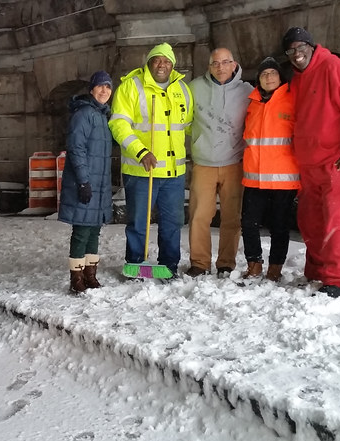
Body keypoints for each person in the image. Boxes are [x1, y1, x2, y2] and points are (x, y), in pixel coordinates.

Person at [283, 27, 340, 298]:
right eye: (291, 50)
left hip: (337, 164)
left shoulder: (337, 68)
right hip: (310, 165)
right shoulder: (298, 79)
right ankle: (317, 271)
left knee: (336, 222)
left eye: (301, 48)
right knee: (311, 221)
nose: (297, 54)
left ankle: (336, 280)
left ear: (312, 47)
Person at [109, 43, 194, 277]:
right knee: (138, 223)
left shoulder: (183, 90)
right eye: (157, 59)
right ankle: (136, 264)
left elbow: (187, 127)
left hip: (173, 175)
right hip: (141, 171)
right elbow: (119, 124)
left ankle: (169, 266)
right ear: (149, 62)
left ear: (173, 65)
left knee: (172, 223)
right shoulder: (131, 87)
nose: (162, 64)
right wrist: (141, 151)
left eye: (167, 61)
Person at [186, 47, 251, 278]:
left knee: (232, 217)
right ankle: (200, 263)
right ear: (209, 66)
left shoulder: (247, 92)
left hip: (234, 163)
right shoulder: (193, 88)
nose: (220, 67)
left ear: (234, 65)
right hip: (204, 162)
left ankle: (226, 263)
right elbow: (182, 120)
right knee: (199, 216)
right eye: (215, 63)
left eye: (225, 62)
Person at [240, 57, 300, 282]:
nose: (268, 77)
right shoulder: (253, 103)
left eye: (272, 73)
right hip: (254, 178)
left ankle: (275, 267)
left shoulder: (292, 99)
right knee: (248, 223)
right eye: (264, 74)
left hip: (283, 179)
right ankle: (253, 264)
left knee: (279, 225)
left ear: (280, 77)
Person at [58, 70, 114, 293]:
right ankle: (77, 278)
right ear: (91, 89)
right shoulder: (84, 114)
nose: (104, 90)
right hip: (86, 182)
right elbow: (76, 148)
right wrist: (83, 181)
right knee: (82, 230)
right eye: (100, 86)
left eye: (108, 87)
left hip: (99, 184)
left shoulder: (102, 115)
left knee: (93, 230)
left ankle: (91, 275)